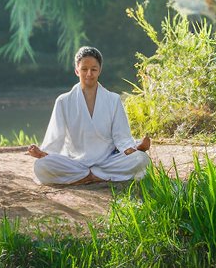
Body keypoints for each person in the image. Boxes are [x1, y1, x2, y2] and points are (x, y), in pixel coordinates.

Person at [28, 46, 151, 185]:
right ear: (76, 70)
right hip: (75, 163)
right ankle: (95, 176)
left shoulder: (113, 99)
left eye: (93, 69)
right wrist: (43, 153)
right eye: (84, 69)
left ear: (100, 71)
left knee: (142, 159)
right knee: (41, 166)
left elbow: (121, 137)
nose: (89, 74)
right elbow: (56, 138)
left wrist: (135, 148)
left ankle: (86, 177)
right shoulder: (63, 101)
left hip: (107, 162)